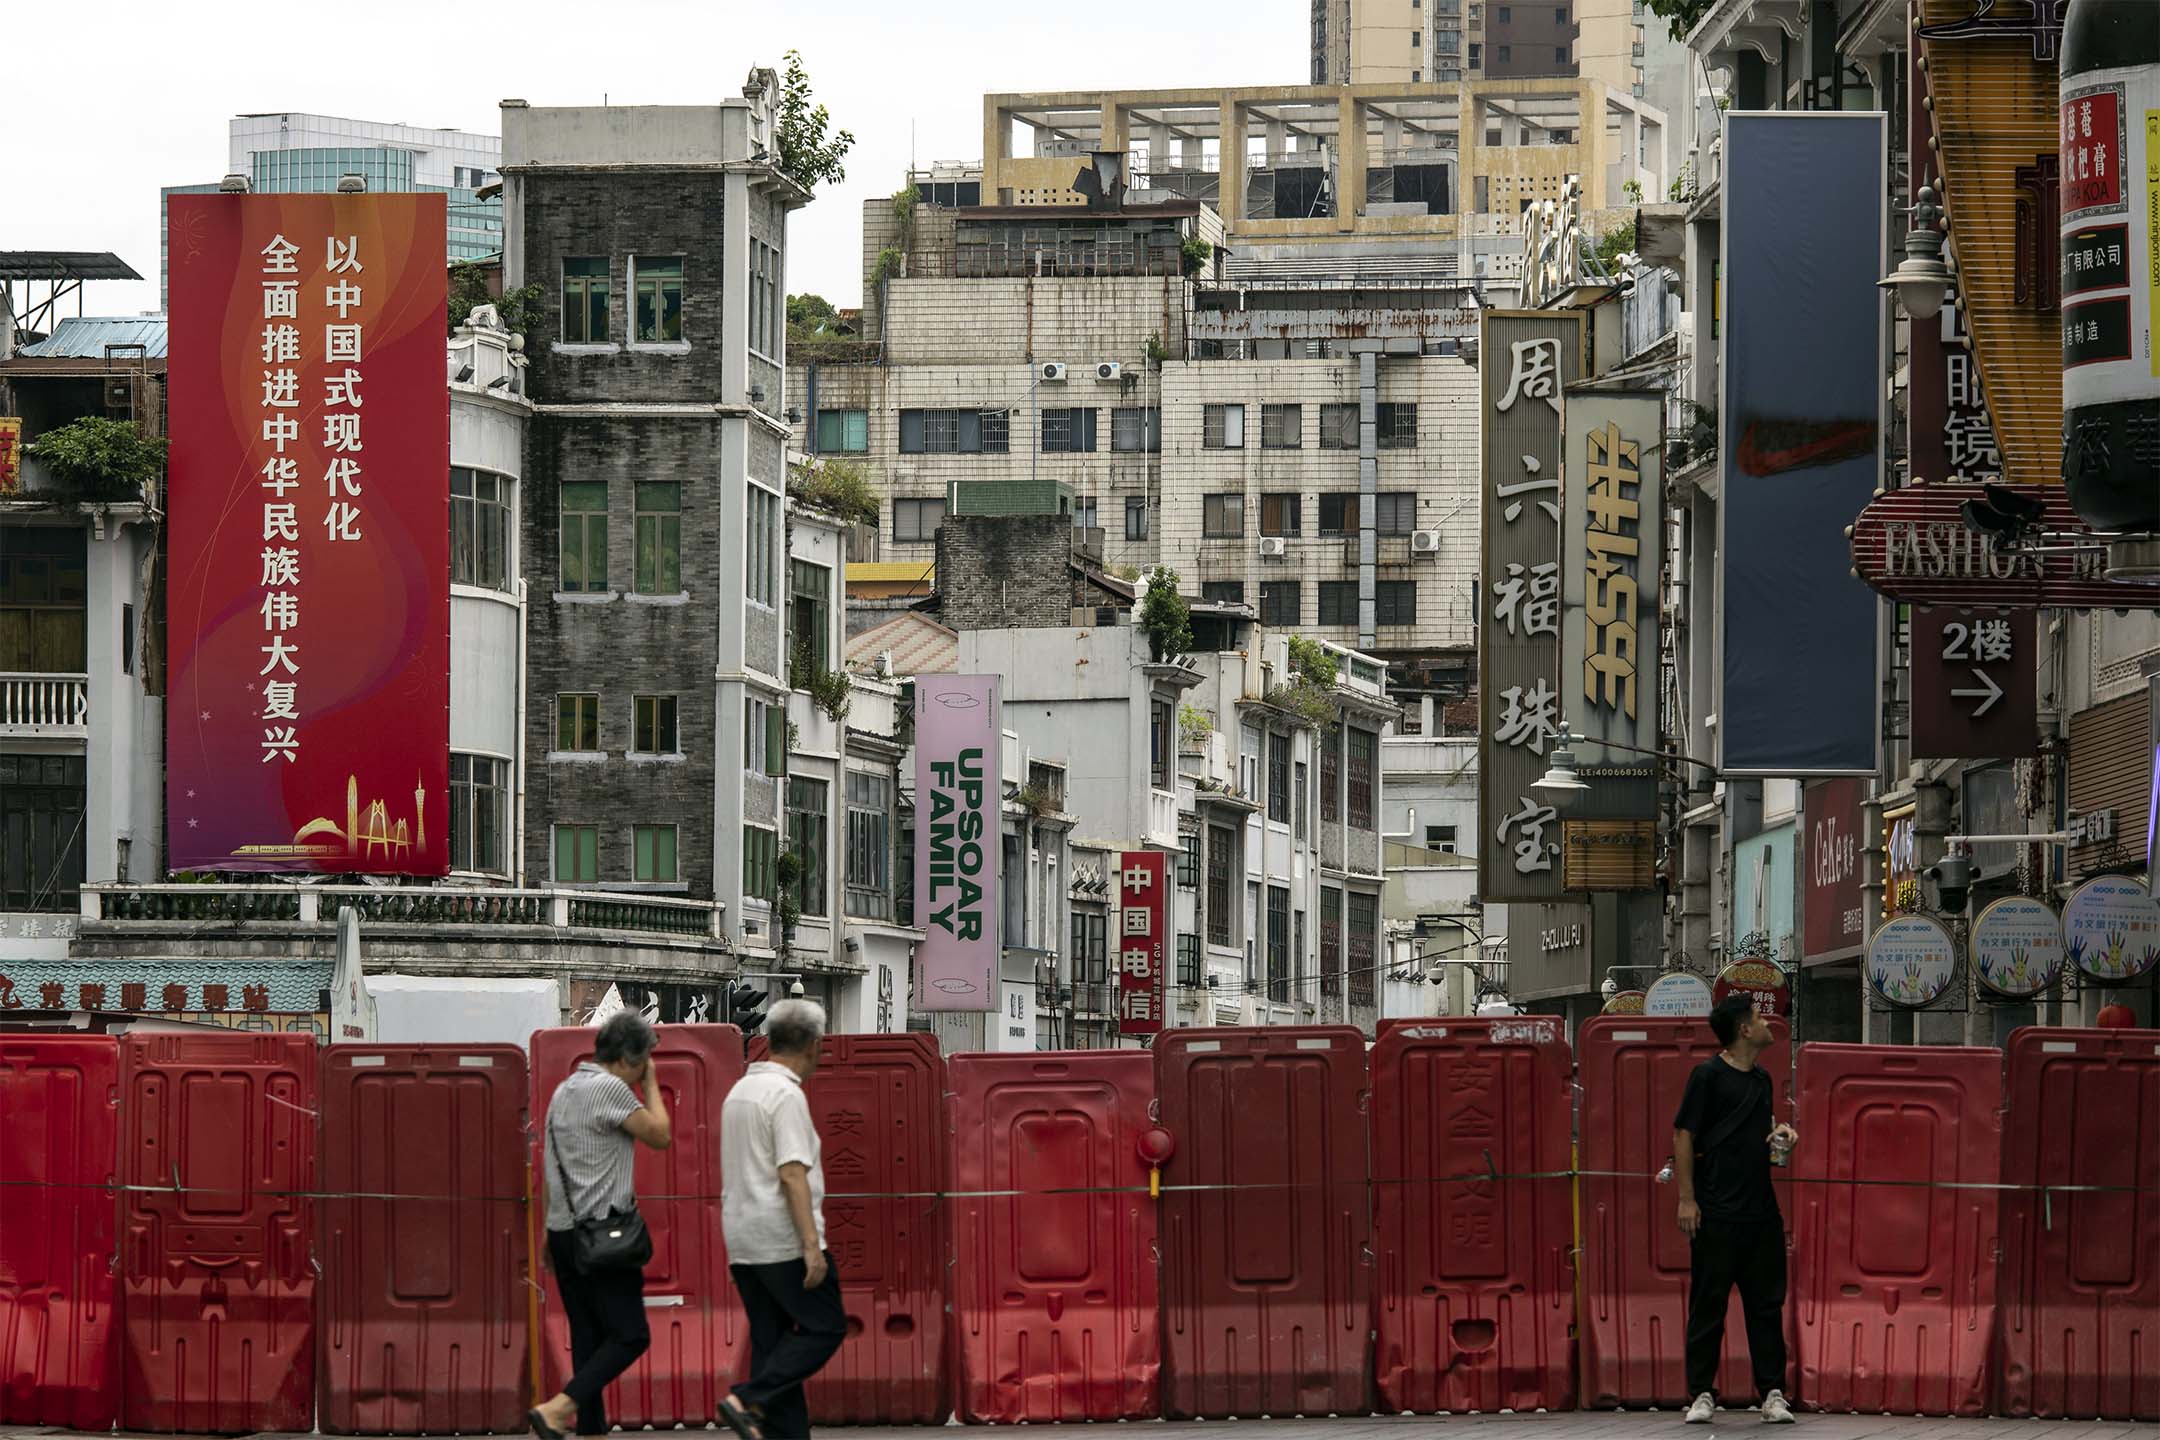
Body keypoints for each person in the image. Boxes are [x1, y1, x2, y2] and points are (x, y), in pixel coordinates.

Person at [529, 1013, 673, 1440]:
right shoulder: (610, 1088)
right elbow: (661, 1135)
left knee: (589, 1338)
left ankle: (590, 1429)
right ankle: (559, 1408)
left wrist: (546, 1235)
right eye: (646, 1056)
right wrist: (649, 1084)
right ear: (632, 1057)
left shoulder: (565, 1089)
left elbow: (551, 1166)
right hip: (605, 1234)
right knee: (630, 1335)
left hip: (564, 1232)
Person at [716, 999, 845, 1440]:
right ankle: (749, 1396)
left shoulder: (741, 1091)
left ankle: (769, 1417)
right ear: (814, 1045)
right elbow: (792, 1174)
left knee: (773, 1345)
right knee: (824, 1327)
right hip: (782, 1240)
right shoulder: (785, 1095)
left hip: (743, 1239)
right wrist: (812, 1247)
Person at [1674, 993, 1797, 1425]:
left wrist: (1780, 1133)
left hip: (1761, 1214)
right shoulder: (1706, 1077)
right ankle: (1702, 1394)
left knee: (1766, 1306)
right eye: (1760, 1017)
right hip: (1716, 1212)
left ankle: (1772, 1394)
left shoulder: (1762, 1080)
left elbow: (1757, 1131)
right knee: (1708, 1307)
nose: (1767, 1023)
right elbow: (1684, 1136)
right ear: (1744, 1029)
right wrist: (1687, 1199)